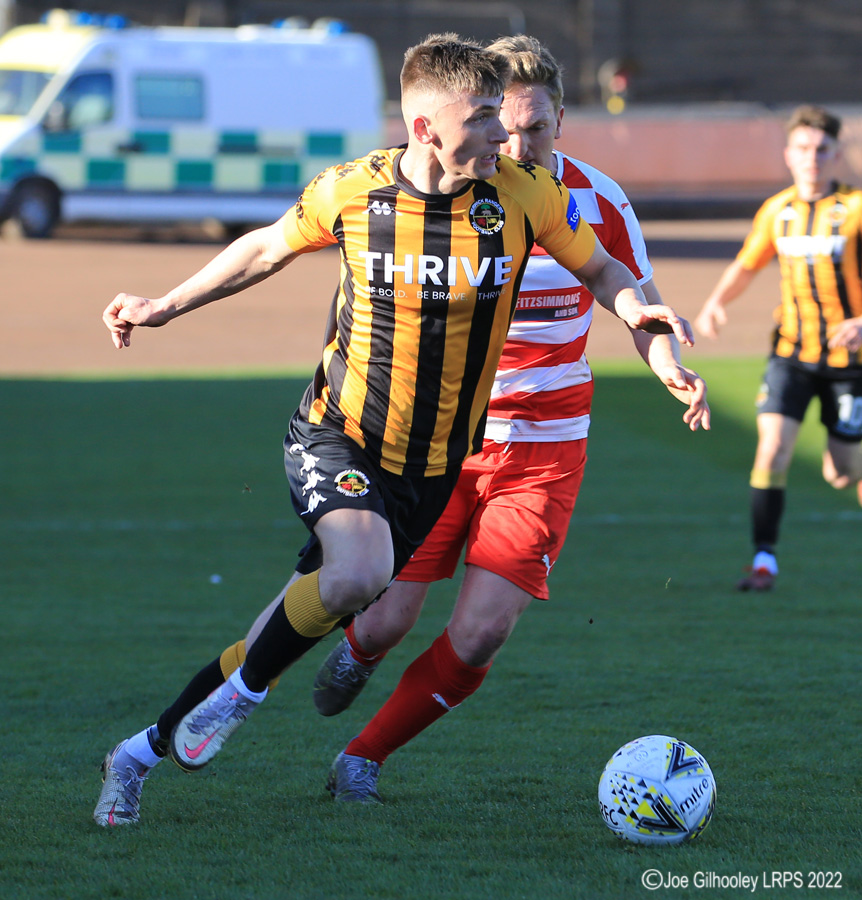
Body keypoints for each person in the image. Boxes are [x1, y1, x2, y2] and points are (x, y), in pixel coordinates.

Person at [93, 33, 696, 827]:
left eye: (510, 121)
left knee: (320, 607)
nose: (501, 137)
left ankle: (141, 752)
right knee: (358, 578)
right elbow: (265, 249)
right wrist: (163, 305)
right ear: (424, 128)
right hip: (339, 434)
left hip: (439, 462)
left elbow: (605, 271)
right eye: (484, 118)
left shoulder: (521, 196)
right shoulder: (355, 191)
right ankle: (244, 695)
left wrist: (639, 316)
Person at [313, 35, 710, 804]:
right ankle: (362, 647)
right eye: (506, 125)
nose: (517, 145)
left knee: (484, 631)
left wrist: (665, 361)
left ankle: (363, 757)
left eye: (537, 129)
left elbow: (633, 298)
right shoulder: (450, 189)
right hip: (443, 438)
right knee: (391, 617)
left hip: (545, 447)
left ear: (561, 116)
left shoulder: (596, 201)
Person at [695, 104, 862, 591]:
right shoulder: (777, 211)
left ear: (836, 154)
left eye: (822, 149)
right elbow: (748, 264)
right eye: (804, 149)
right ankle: (763, 561)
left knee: (841, 471)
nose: (813, 158)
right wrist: (715, 303)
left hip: (850, 364)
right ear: (789, 155)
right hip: (790, 353)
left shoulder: (855, 210)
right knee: (771, 450)